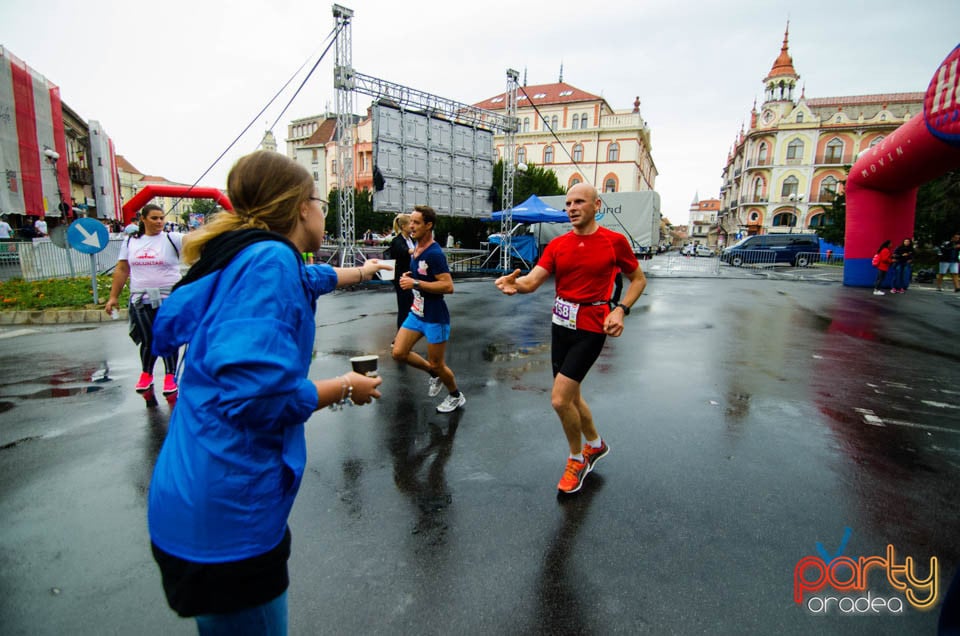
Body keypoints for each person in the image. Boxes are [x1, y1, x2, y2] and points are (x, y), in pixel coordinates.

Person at [146, 150, 386, 633]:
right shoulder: (270, 260)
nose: (322, 211)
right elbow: (260, 399)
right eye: (318, 201)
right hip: (229, 515)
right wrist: (344, 387)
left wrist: (362, 271)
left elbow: (310, 277)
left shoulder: (247, 254)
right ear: (301, 207)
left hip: (196, 498)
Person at [494, 183, 646, 495]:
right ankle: (596, 444)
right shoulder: (558, 245)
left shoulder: (614, 242)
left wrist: (620, 310)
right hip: (560, 324)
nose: (572, 208)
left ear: (596, 205)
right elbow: (534, 280)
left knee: (559, 399)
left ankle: (577, 459)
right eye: (568, 203)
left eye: (579, 202)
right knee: (573, 396)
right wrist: (514, 284)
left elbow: (637, 280)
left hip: (592, 327)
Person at [105, 204, 184, 400]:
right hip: (141, 299)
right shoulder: (131, 242)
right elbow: (122, 269)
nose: (159, 222)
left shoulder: (173, 239)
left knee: (166, 337)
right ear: (143, 219)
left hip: (168, 298)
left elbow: (201, 244)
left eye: (161, 218)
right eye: (154, 218)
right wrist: (113, 297)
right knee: (148, 339)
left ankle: (170, 376)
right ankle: (146, 374)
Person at [392, 205, 466, 413]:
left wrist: (415, 284)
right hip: (417, 313)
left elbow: (448, 286)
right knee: (398, 352)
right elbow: (422, 274)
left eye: (416, 222)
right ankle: (433, 374)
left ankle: (455, 396)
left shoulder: (435, 254)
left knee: (438, 363)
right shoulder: (416, 249)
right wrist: (409, 275)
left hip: (435, 317)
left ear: (429, 225)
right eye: (410, 222)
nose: (411, 226)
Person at [386, 213, 415, 331]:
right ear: (403, 226)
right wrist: (420, 249)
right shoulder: (397, 241)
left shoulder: (410, 239)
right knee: (404, 307)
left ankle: (405, 337)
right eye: (410, 223)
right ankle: (399, 338)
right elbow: (405, 251)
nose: (413, 226)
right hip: (401, 278)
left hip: (409, 277)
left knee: (410, 307)